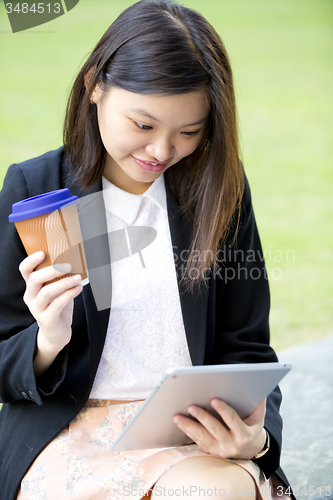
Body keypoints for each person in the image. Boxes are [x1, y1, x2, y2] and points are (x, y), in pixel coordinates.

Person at [0, 1, 294, 499]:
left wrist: (258, 440)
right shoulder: (40, 190)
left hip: (190, 432)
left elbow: (247, 348)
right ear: (95, 85)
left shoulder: (217, 189)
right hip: (70, 433)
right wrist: (48, 339)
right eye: (143, 125)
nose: (161, 151)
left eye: (189, 133)